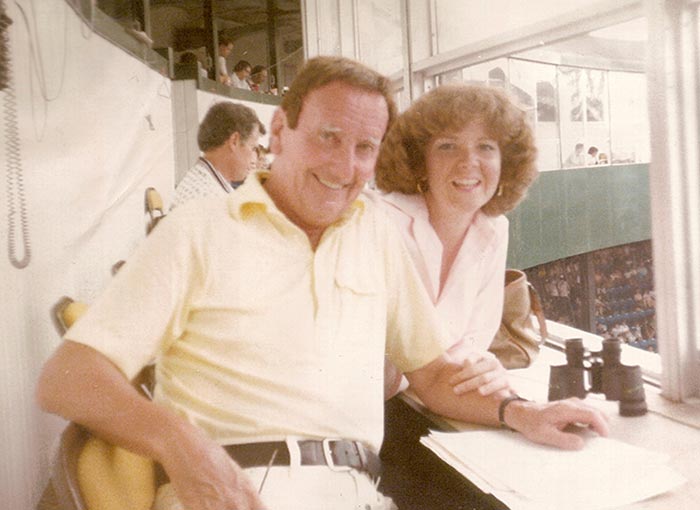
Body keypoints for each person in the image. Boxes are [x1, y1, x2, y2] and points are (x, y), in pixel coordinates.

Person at [36, 56, 609, 510]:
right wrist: (181, 447)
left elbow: (432, 374)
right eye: (328, 137)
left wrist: (520, 412)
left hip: (361, 493)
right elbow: (66, 379)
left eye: (364, 147)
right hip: (236, 488)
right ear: (280, 129)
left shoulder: (376, 235)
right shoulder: (198, 229)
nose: (344, 165)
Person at [374, 84, 539, 399]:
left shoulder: (494, 230)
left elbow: (472, 347)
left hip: (423, 404)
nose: (468, 162)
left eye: (486, 147)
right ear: (421, 159)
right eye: (448, 146)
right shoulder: (379, 221)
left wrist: (481, 366)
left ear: (506, 162)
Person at [171, 101, 263, 209]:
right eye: (252, 147)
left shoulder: (203, 181)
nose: (254, 159)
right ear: (234, 141)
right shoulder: (208, 198)